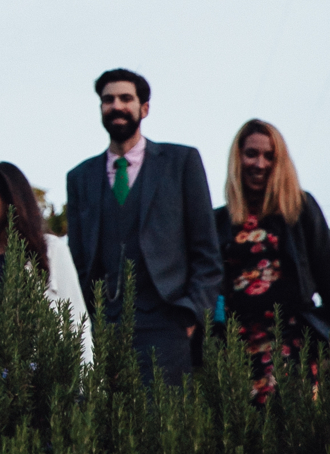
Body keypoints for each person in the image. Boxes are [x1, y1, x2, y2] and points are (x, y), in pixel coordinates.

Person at [64, 69, 220, 386]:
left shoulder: (181, 162)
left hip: (167, 322)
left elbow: (207, 250)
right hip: (103, 326)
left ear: (144, 108)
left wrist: (190, 315)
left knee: (163, 425)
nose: (116, 106)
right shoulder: (80, 177)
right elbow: (78, 258)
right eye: (108, 100)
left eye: (126, 98)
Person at [211, 119, 330, 405]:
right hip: (235, 343)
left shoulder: (299, 210)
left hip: (290, 339)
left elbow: (328, 271)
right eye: (251, 154)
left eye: (269, 156)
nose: (260, 163)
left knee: (291, 426)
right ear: (237, 158)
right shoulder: (219, 220)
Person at [0, 161, 91, 362]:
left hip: (40, 380)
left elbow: (77, 324)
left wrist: (89, 388)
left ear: (9, 201)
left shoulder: (51, 250)